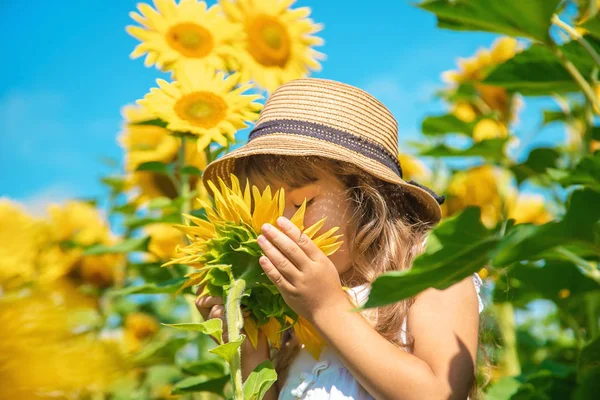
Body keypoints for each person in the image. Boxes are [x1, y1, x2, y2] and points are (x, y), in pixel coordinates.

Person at [195, 77, 485, 399]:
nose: (276, 224)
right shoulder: (292, 316)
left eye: (298, 203)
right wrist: (250, 351)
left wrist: (326, 307)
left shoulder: (430, 270)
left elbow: (439, 394)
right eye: (260, 208)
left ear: (367, 199)